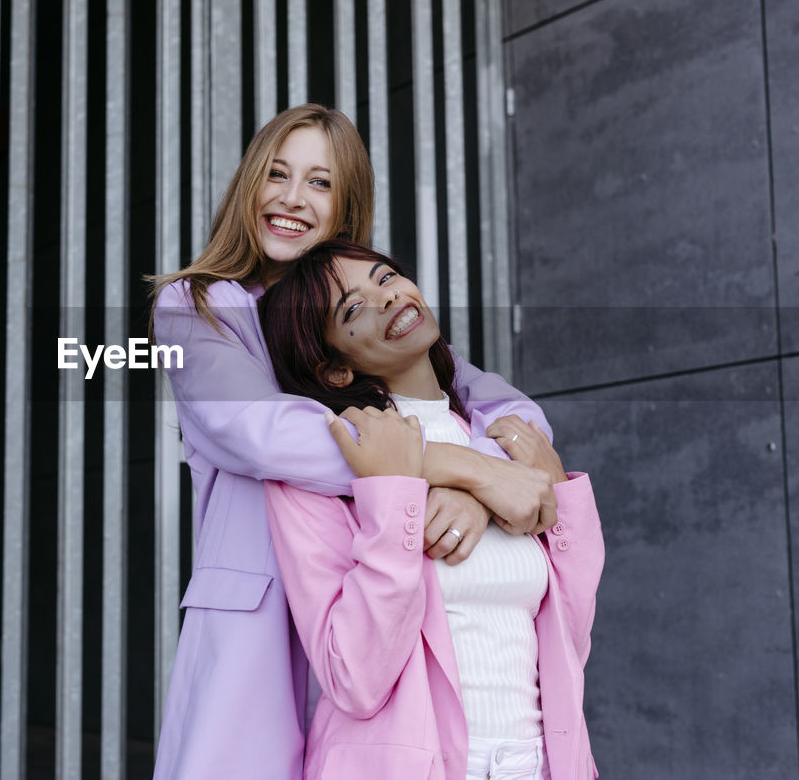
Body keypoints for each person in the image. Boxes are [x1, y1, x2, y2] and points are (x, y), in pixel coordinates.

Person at [149, 104, 558, 779]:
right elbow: (260, 432)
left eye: (319, 182)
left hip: (365, 591)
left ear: (346, 207)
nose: (291, 198)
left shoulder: (377, 323)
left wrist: (484, 490)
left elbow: (513, 413)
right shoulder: (198, 305)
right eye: (276, 175)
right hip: (262, 619)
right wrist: (459, 468)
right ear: (249, 185)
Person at [258, 238, 603, 779]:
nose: (388, 298)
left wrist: (558, 491)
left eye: (386, 277)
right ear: (334, 372)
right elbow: (354, 677)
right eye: (353, 308)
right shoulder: (314, 471)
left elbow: (570, 639)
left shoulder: (500, 441)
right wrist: (393, 493)